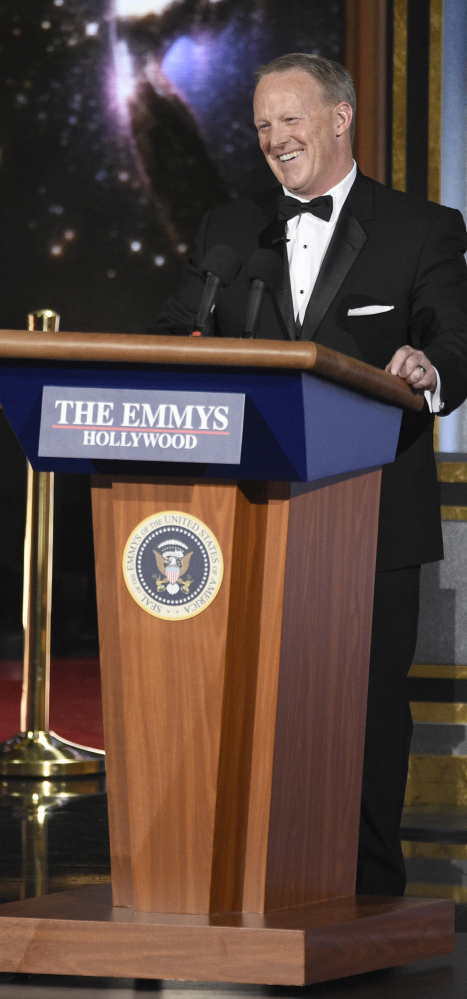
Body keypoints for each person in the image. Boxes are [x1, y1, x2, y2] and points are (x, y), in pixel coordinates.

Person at [149, 52, 467, 895]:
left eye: (288, 119)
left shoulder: (422, 228)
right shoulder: (228, 229)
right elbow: (178, 333)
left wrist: (428, 367)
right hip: (247, 515)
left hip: (373, 515)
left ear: (339, 117)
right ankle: (244, 871)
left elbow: (455, 341)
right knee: (255, 701)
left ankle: (367, 885)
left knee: (362, 708)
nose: (272, 139)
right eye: (259, 125)